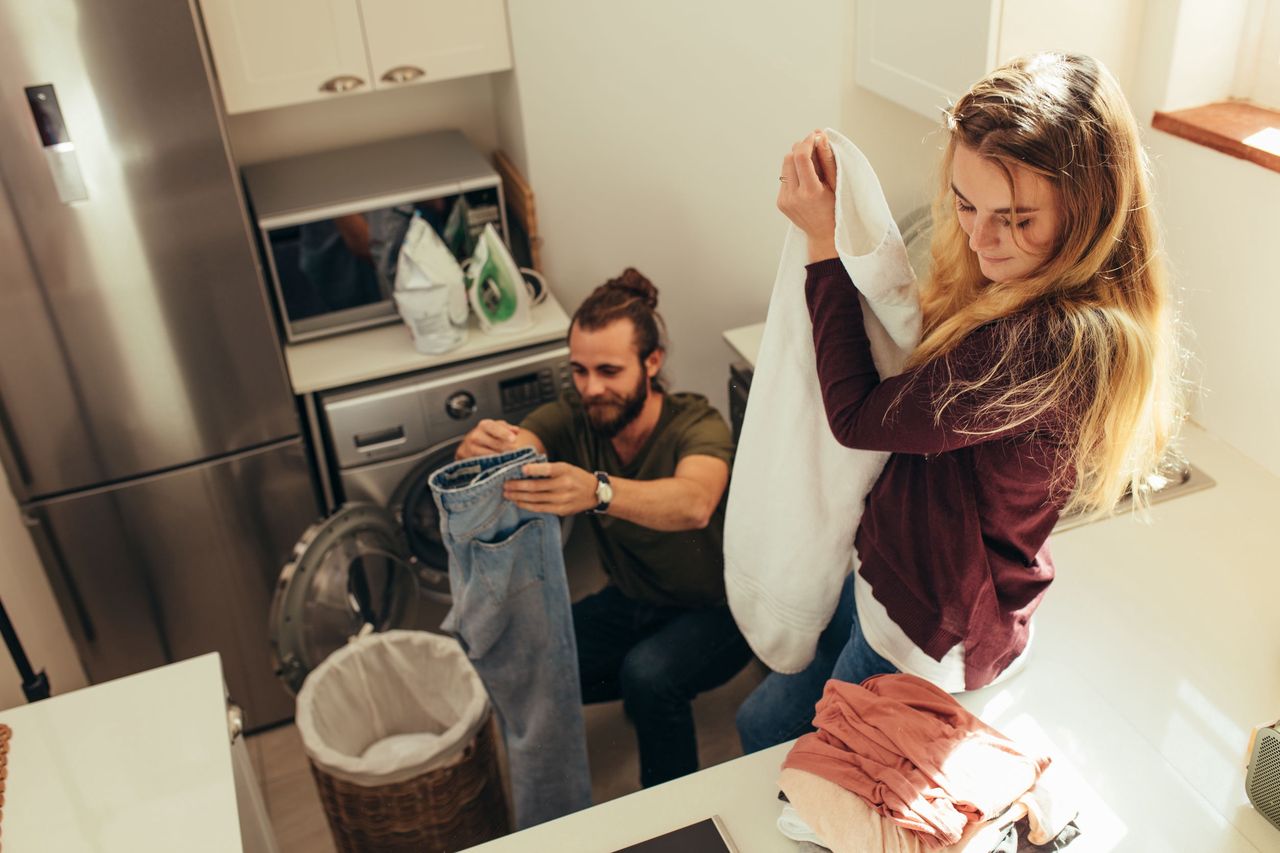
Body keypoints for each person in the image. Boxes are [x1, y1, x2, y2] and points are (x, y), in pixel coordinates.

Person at [737, 52, 1180, 751]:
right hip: (901, 583)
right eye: (966, 203)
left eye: (1017, 219)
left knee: (773, 745)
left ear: (1089, 209)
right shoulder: (1026, 287)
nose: (979, 239)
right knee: (759, 723)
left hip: (928, 627)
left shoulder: (1051, 344)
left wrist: (825, 244)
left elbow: (857, 418)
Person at [456, 269, 753, 787]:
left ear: (652, 362)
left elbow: (694, 502)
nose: (592, 389)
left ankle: (672, 824)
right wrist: (484, 449)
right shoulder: (580, 415)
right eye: (579, 371)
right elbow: (525, 443)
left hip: (722, 608)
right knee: (528, 651)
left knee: (649, 677)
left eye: (610, 371)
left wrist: (599, 491)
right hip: (634, 598)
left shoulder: (696, 423)